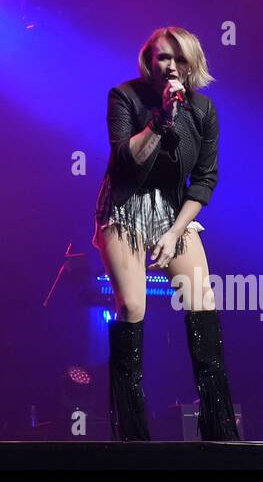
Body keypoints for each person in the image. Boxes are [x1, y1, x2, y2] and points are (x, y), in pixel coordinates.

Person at [92, 26, 238, 441]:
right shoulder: (125, 97)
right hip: (125, 205)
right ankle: (134, 433)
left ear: (191, 62)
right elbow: (126, 163)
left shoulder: (206, 110)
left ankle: (218, 427)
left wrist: (175, 232)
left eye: (177, 58)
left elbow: (205, 178)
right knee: (134, 306)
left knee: (201, 297)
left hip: (174, 211)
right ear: (148, 61)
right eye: (161, 57)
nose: (169, 65)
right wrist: (162, 118)